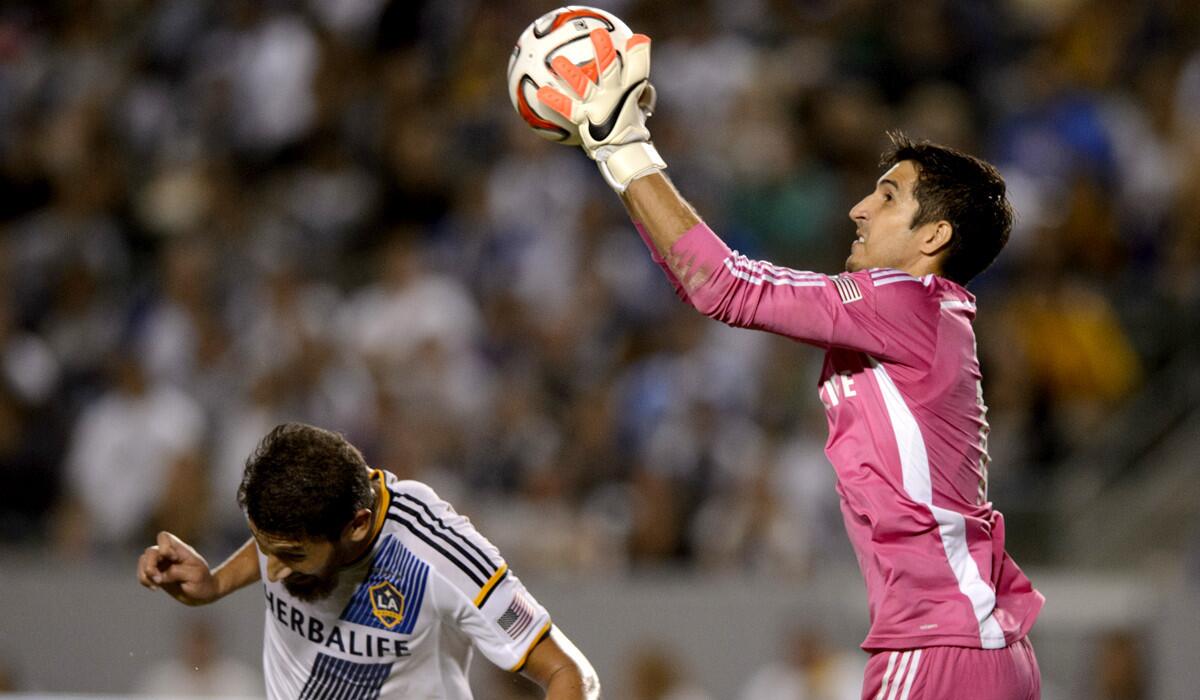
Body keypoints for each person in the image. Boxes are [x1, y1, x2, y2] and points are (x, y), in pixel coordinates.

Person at [534, 28, 1045, 700]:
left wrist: (620, 145)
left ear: (934, 236)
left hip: (938, 646)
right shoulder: (934, 319)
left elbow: (726, 286)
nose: (859, 208)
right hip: (982, 650)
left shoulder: (905, 302)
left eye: (888, 196)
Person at [137, 422, 599, 699]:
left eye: (292, 554)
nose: (271, 571)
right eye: (263, 544)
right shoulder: (303, 512)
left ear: (356, 526)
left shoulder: (438, 554)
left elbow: (569, 674)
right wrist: (215, 583)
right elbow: (275, 547)